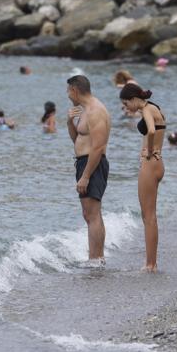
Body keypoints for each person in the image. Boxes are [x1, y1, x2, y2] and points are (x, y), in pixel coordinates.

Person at [120, 84, 166, 271]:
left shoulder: (146, 110)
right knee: (150, 216)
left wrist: (147, 151)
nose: (126, 108)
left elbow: (152, 130)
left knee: (148, 217)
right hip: (158, 162)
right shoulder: (155, 107)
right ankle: (151, 262)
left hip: (150, 164)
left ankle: (150, 264)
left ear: (133, 99)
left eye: (125, 103)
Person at [67, 75, 111, 261]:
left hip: (92, 164)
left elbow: (98, 147)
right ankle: (95, 258)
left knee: (92, 214)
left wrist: (85, 176)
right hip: (84, 162)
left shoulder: (96, 110)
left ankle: (96, 259)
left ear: (75, 90)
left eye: (68, 91)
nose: (68, 95)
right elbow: (78, 140)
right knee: (89, 214)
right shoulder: (84, 110)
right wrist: (70, 122)